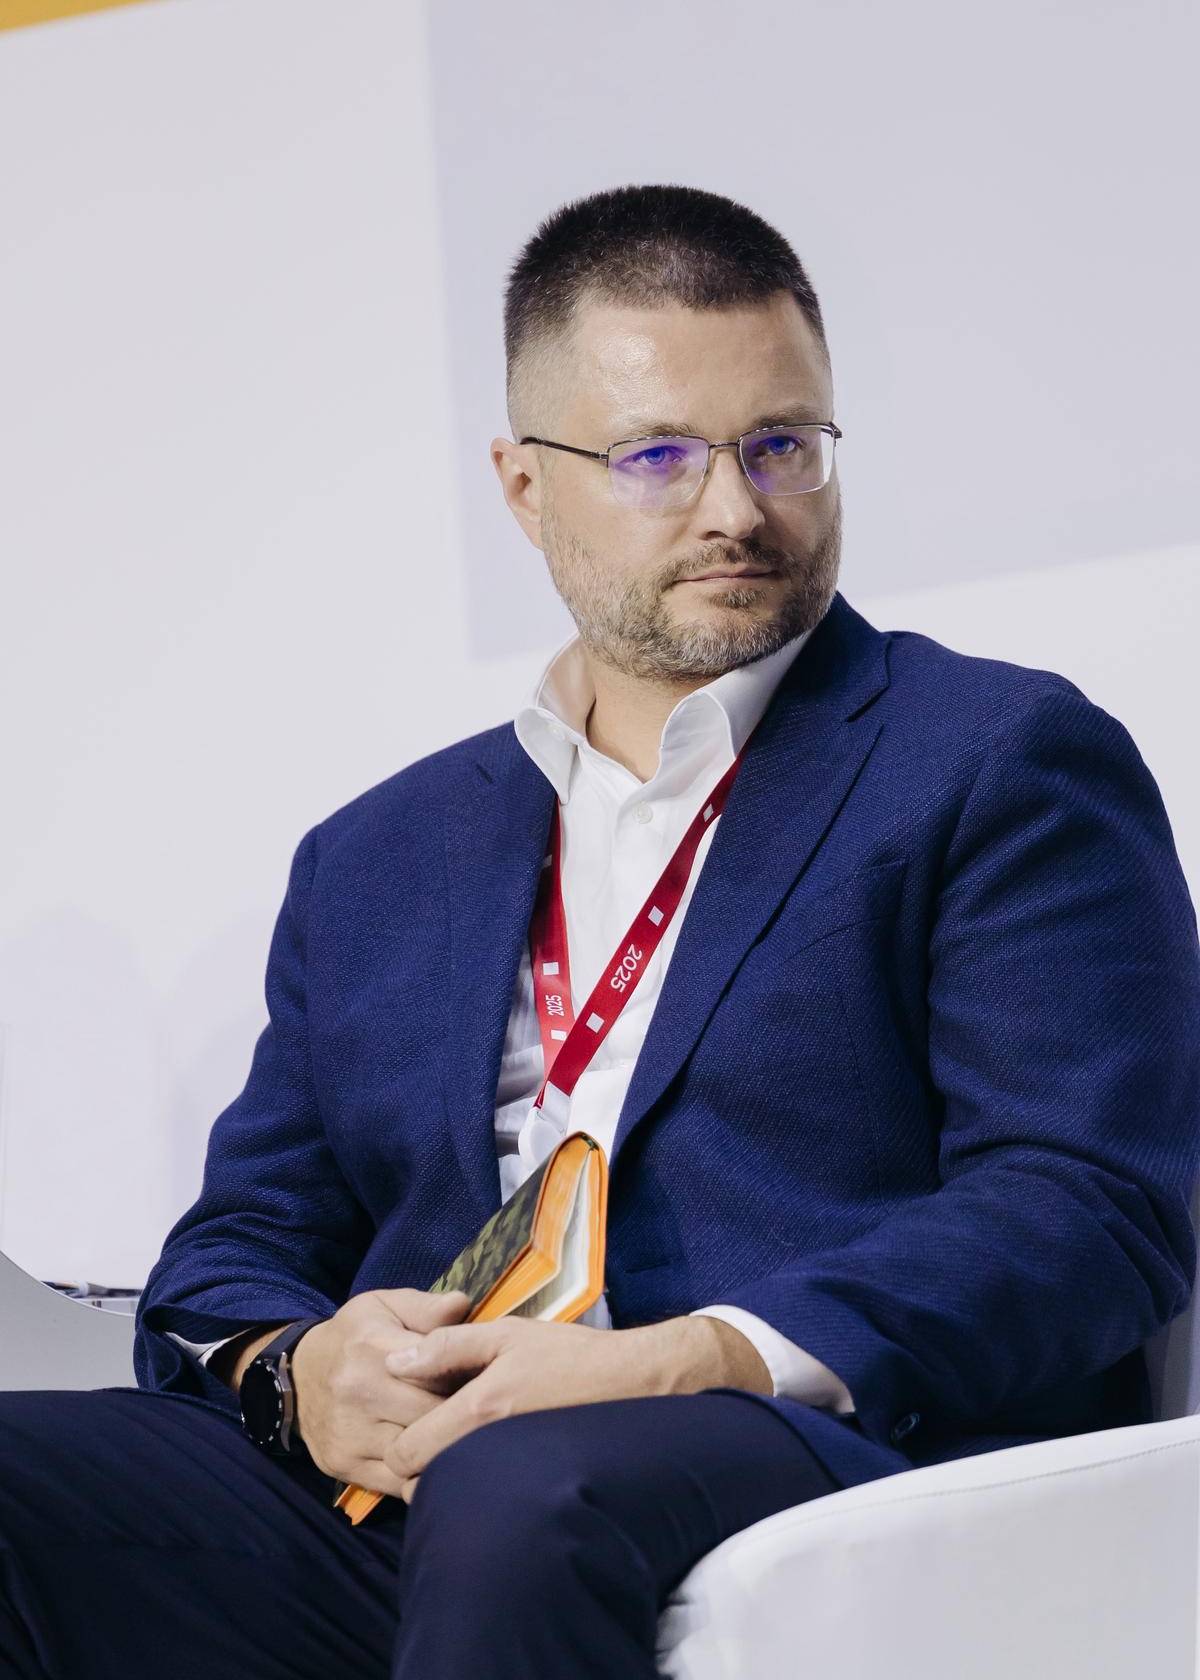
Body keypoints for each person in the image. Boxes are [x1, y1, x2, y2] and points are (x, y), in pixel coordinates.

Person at [2, 183, 1198, 1678]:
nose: (736, 509)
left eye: (783, 445)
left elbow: (1091, 1205)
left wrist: (680, 1359)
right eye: (658, 456)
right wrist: (298, 1371)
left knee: (524, 1490)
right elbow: (240, 1244)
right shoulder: (379, 856)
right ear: (524, 487)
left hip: (805, 1446)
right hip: (433, 1477)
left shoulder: (993, 758)